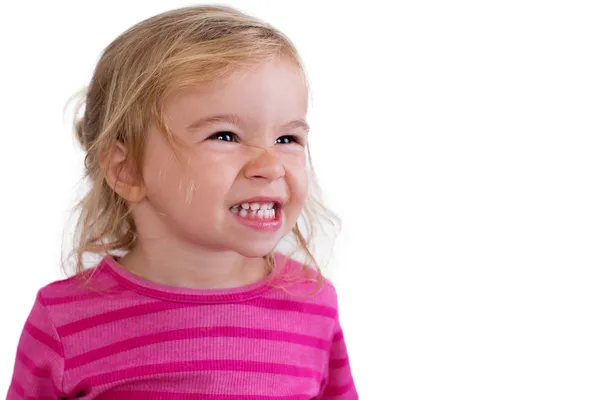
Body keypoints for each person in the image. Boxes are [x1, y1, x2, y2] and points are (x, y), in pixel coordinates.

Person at [6, 5, 357, 399]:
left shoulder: (313, 303)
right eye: (225, 136)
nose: (270, 165)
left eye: (287, 139)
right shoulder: (63, 321)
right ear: (127, 170)